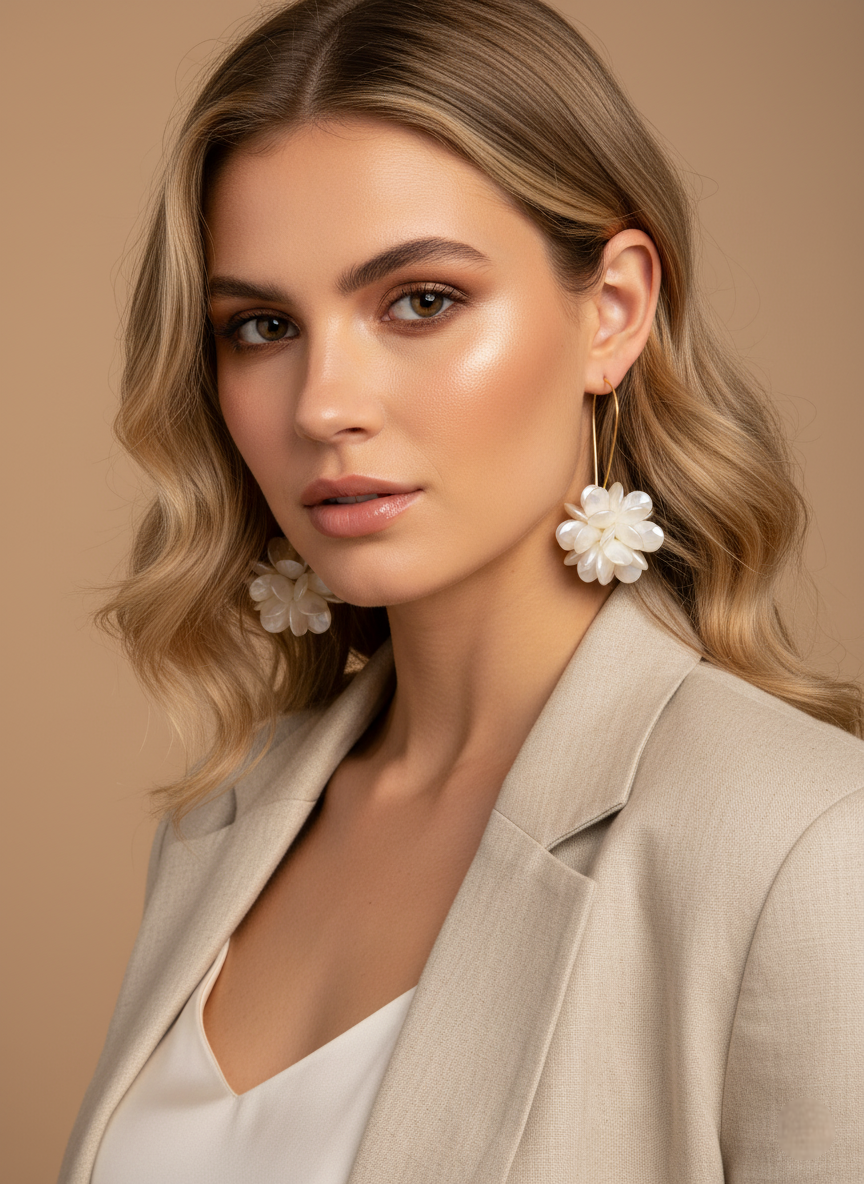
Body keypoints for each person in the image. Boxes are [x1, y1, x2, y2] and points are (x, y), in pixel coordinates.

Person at [60, 0, 864, 1180]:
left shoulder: (807, 842)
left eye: (421, 300)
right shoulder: (228, 814)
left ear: (613, 311)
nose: (324, 404)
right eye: (263, 325)